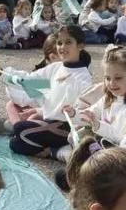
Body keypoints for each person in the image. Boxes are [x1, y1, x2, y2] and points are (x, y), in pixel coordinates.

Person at [6, 25, 94, 161]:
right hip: (48, 121)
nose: (62, 47)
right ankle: (54, 148)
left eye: (68, 42)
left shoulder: (83, 77)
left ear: (80, 45)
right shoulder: (55, 67)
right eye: (59, 43)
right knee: (15, 143)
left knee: (19, 129)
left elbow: (83, 109)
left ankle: (55, 150)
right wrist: (8, 74)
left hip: (66, 127)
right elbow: (30, 79)